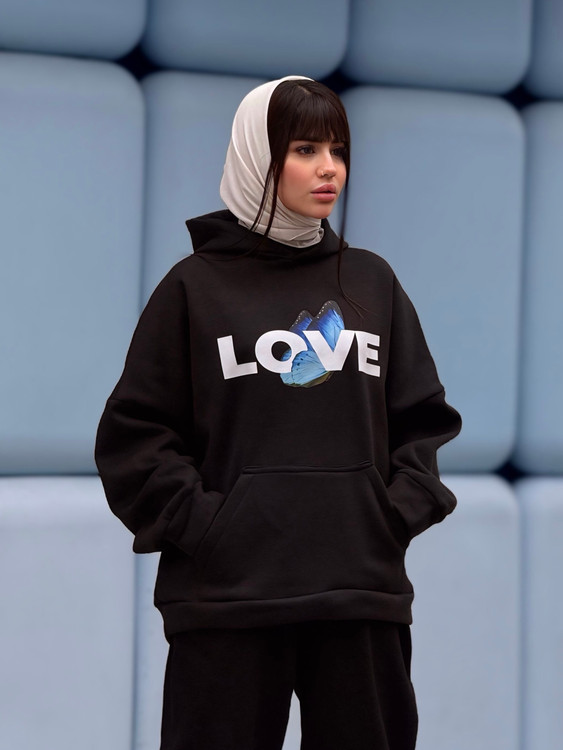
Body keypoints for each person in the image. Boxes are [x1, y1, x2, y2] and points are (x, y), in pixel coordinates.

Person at [95, 75, 462, 750]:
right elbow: (134, 438)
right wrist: (209, 529)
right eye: (304, 149)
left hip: (359, 594)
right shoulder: (193, 288)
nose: (328, 169)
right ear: (257, 157)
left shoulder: (371, 282)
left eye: (338, 150)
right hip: (226, 601)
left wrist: (386, 519)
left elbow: (423, 421)